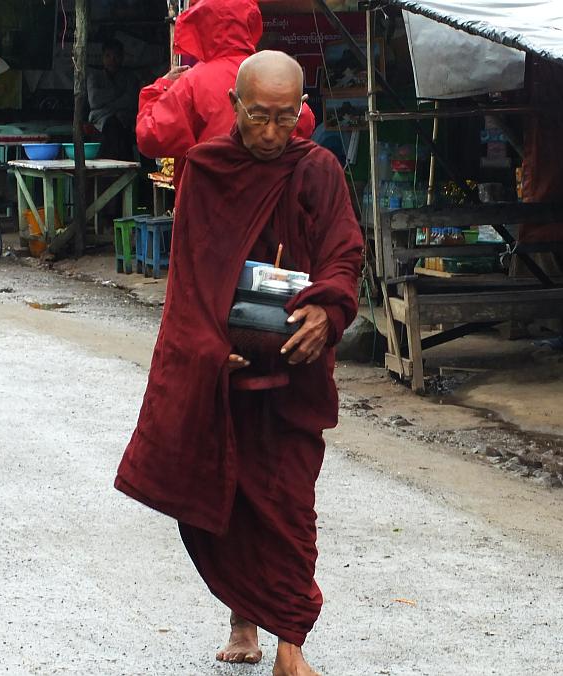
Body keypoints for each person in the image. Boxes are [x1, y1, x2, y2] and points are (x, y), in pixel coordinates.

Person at [115, 51, 363, 676]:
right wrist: (200, 343)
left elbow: (344, 254)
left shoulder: (317, 170)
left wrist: (329, 313)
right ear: (234, 106)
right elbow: (190, 273)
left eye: (287, 118)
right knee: (224, 501)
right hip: (224, 372)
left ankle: (290, 644)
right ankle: (241, 619)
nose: (273, 133)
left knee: (288, 505)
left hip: (292, 373)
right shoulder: (207, 168)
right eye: (260, 117)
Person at [135, 0, 314, 187]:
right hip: (267, 198)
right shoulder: (270, 72)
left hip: (208, 200)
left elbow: (151, 137)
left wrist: (162, 86)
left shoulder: (192, 82)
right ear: (249, 23)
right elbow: (305, 121)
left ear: (203, 26)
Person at [87, 39, 140, 161]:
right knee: (109, 127)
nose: (112, 60)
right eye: (108, 56)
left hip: (124, 122)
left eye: (116, 56)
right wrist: (118, 92)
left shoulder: (130, 77)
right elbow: (94, 101)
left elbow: (131, 101)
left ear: (122, 58)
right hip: (99, 123)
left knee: (118, 129)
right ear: (102, 58)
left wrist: (107, 103)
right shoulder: (94, 77)